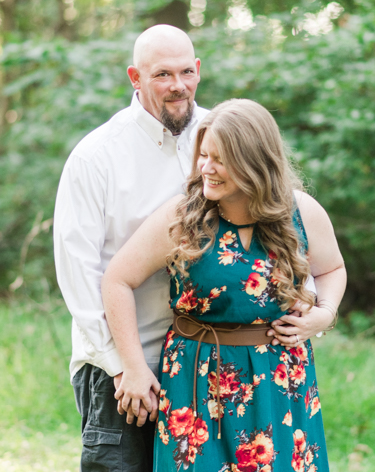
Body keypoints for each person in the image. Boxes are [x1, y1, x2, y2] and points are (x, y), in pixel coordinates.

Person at [101, 99, 346, 471]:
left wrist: (323, 314)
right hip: (197, 383)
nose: (206, 168)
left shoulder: (302, 212)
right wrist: (132, 366)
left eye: (219, 159)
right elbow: (117, 279)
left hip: (280, 383)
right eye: (203, 155)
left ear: (254, 162)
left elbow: (333, 269)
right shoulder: (183, 218)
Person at [53, 24, 209, 471]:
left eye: (186, 72)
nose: (178, 86)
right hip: (120, 367)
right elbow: (78, 274)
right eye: (162, 75)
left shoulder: (223, 138)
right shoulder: (96, 156)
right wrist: (125, 367)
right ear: (135, 78)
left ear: (198, 70)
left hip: (204, 363)